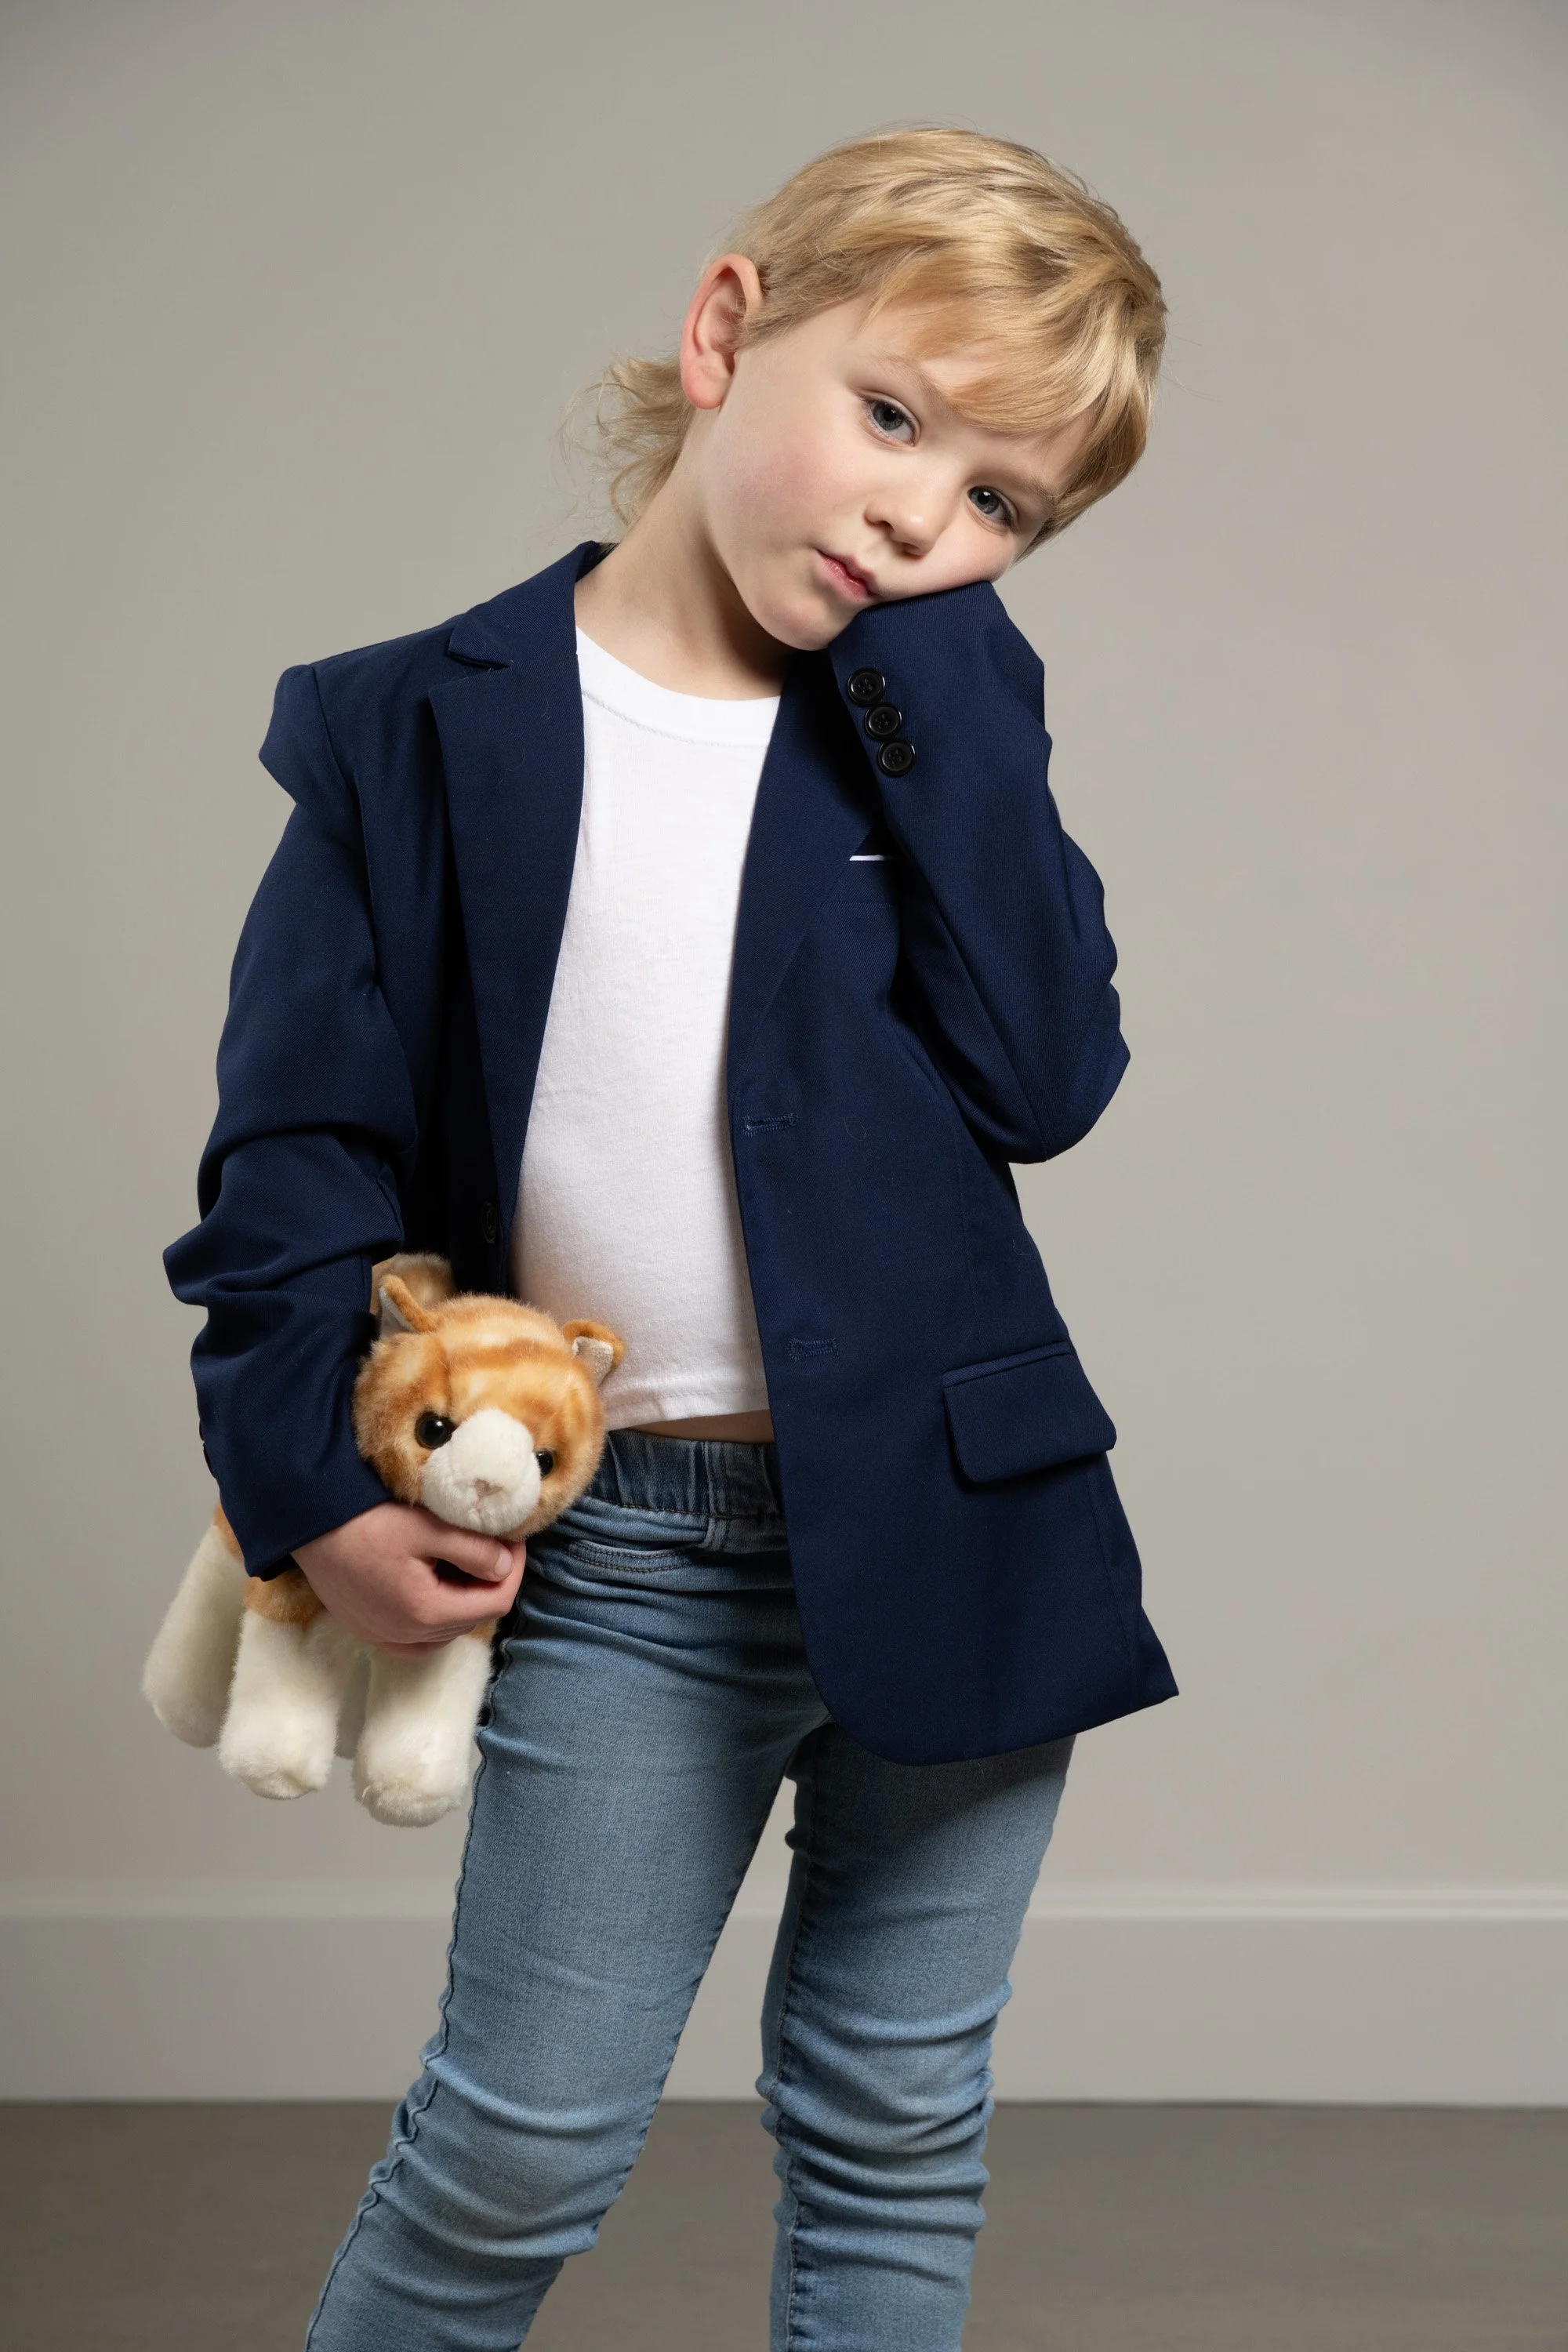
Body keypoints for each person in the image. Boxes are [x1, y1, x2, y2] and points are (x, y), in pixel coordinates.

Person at [165, 125, 1178, 2352]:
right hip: (623, 1558)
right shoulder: (407, 728)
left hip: (958, 1510)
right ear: (727, 334)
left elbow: (1048, 1078)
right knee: (519, 2140)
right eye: (897, 419)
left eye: (1005, 505)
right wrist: (306, 1480)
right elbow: (296, 1160)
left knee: (898, 2118)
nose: (929, 513)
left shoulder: (933, 718)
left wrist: (955, 700)